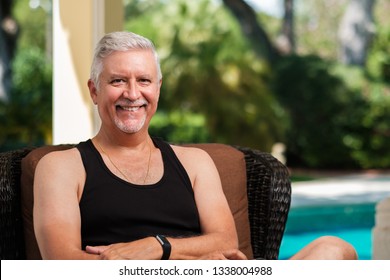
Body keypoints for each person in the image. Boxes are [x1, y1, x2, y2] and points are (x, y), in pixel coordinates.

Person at [33, 31, 357, 260]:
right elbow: (64, 263)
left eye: (143, 81)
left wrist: (157, 247)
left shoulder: (195, 162)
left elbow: (226, 240)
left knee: (335, 248)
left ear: (157, 89)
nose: (132, 94)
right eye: (118, 81)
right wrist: (185, 263)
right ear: (94, 90)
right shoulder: (61, 167)